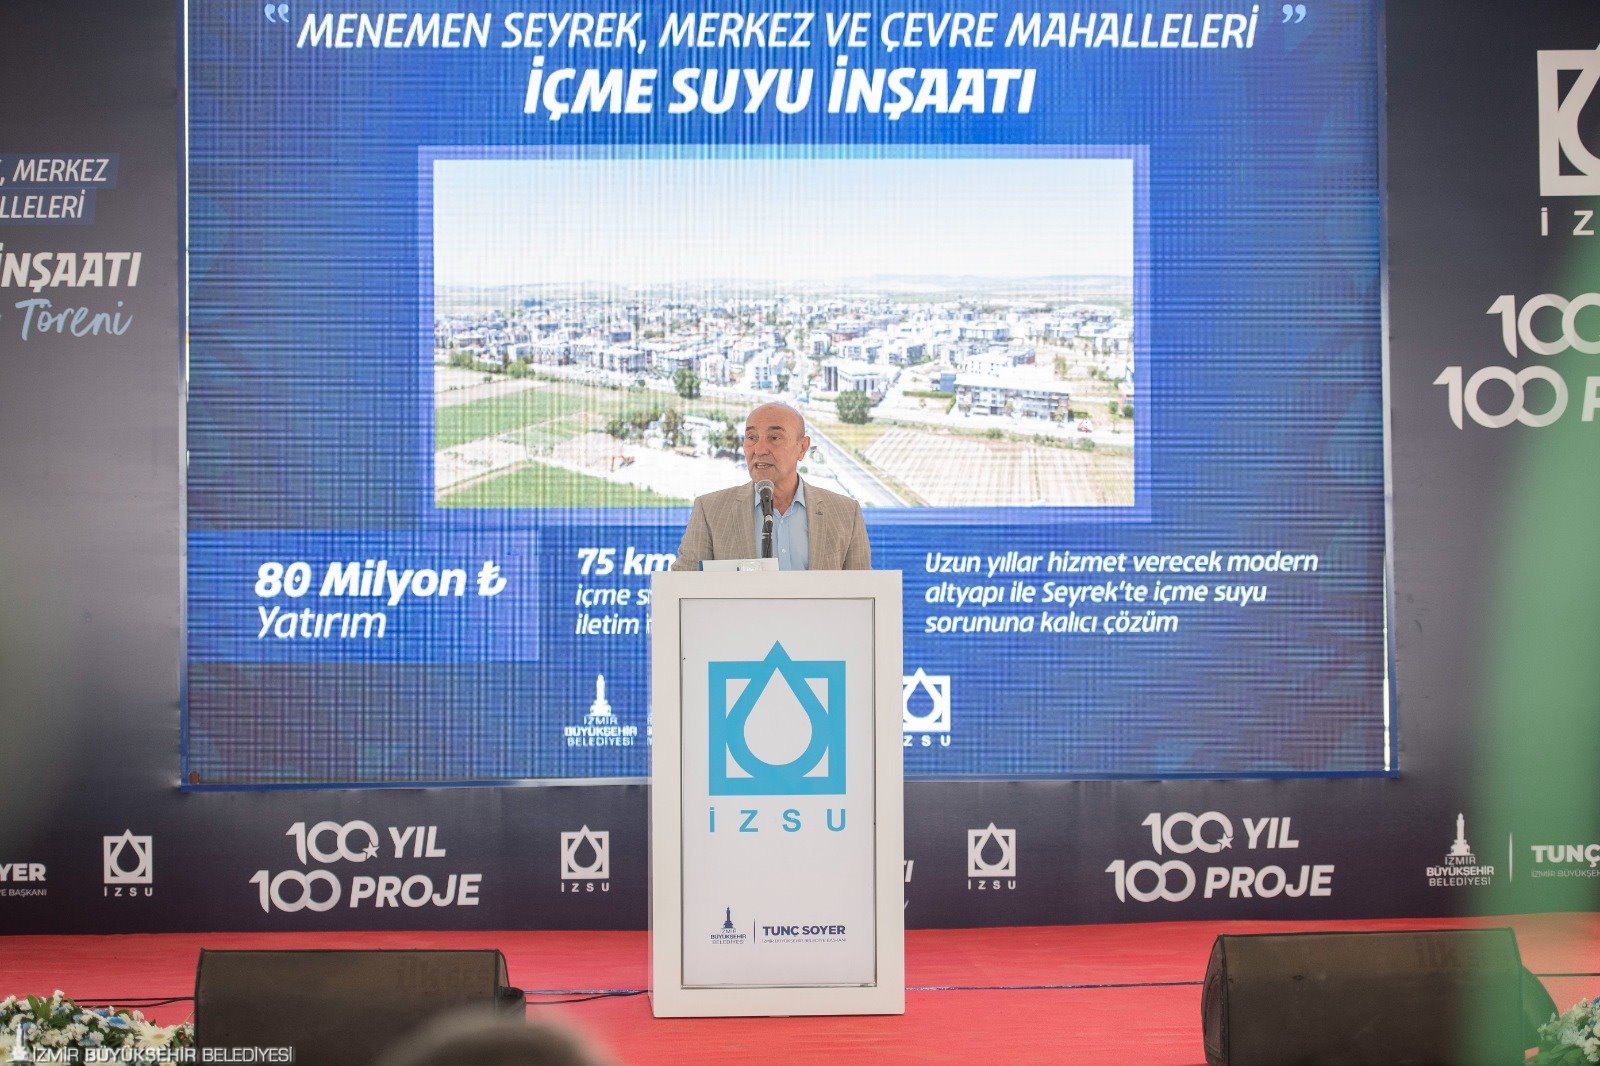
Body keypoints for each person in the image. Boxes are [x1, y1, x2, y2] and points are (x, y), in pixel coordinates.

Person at [671, 402, 871, 571]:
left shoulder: (845, 512)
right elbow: (681, 588)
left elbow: (864, 593)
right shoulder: (710, 510)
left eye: (774, 438)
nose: (759, 449)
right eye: (752, 438)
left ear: (802, 447)